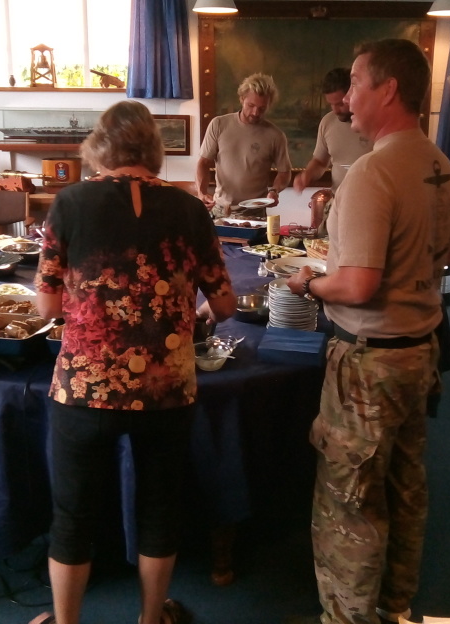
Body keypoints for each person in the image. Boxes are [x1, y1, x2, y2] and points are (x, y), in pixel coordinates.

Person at [32, 100, 236, 624]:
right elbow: (225, 305)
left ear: (100, 146)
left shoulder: (70, 202)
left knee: (72, 517)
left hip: (85, 386)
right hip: (166, 389)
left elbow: (48, 307)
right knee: (159, 512)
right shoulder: (190, 209)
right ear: (153, 150)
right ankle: (150, 617)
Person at [287, 39, 450, 624]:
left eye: (357, 84)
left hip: (369, 363)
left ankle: (348, 617)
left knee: (351, 501)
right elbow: (449, 254)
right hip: (420, 351)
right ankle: (396, 605)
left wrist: (310, 283)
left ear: (388, 90)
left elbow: (357, 285)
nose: (346, 99)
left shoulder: (372, 171)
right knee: (405, 487)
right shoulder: (440, 165)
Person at [196, 72, 291, 217]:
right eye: (251, 105)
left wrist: (274, 191)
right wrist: (201, 193)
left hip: (255, 212)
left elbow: (284, 172)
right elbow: (203, 163)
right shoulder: (218, 125)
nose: (255, 112)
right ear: (241, 99)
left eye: (262, 108)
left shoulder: (276, 136)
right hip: (220, 210)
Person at [293, 67, 373, 194]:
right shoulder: (327, 122)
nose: (335, 110)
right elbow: (320, 162)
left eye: (340, 104)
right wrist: (307, 175)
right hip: (337, 200)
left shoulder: (375, 123)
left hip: (369, 199)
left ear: (352, 94)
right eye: (331, 104)